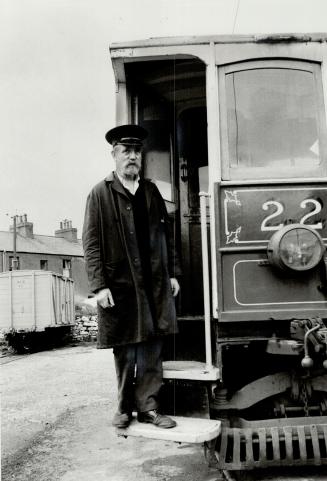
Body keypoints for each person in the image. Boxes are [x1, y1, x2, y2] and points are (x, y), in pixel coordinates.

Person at [82, 124, 181, 429]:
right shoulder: (100, 193)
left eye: (137, 151)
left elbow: (167, 236)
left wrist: (173, 273)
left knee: (152, 346)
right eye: (126, 151)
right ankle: (124, 407)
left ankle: (149, 408)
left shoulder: (151, 191)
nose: (132, 157)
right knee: (125, 348)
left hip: (153, 282)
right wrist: (99, 286)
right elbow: (91, 242)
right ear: (114, 155)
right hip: (120, 284)